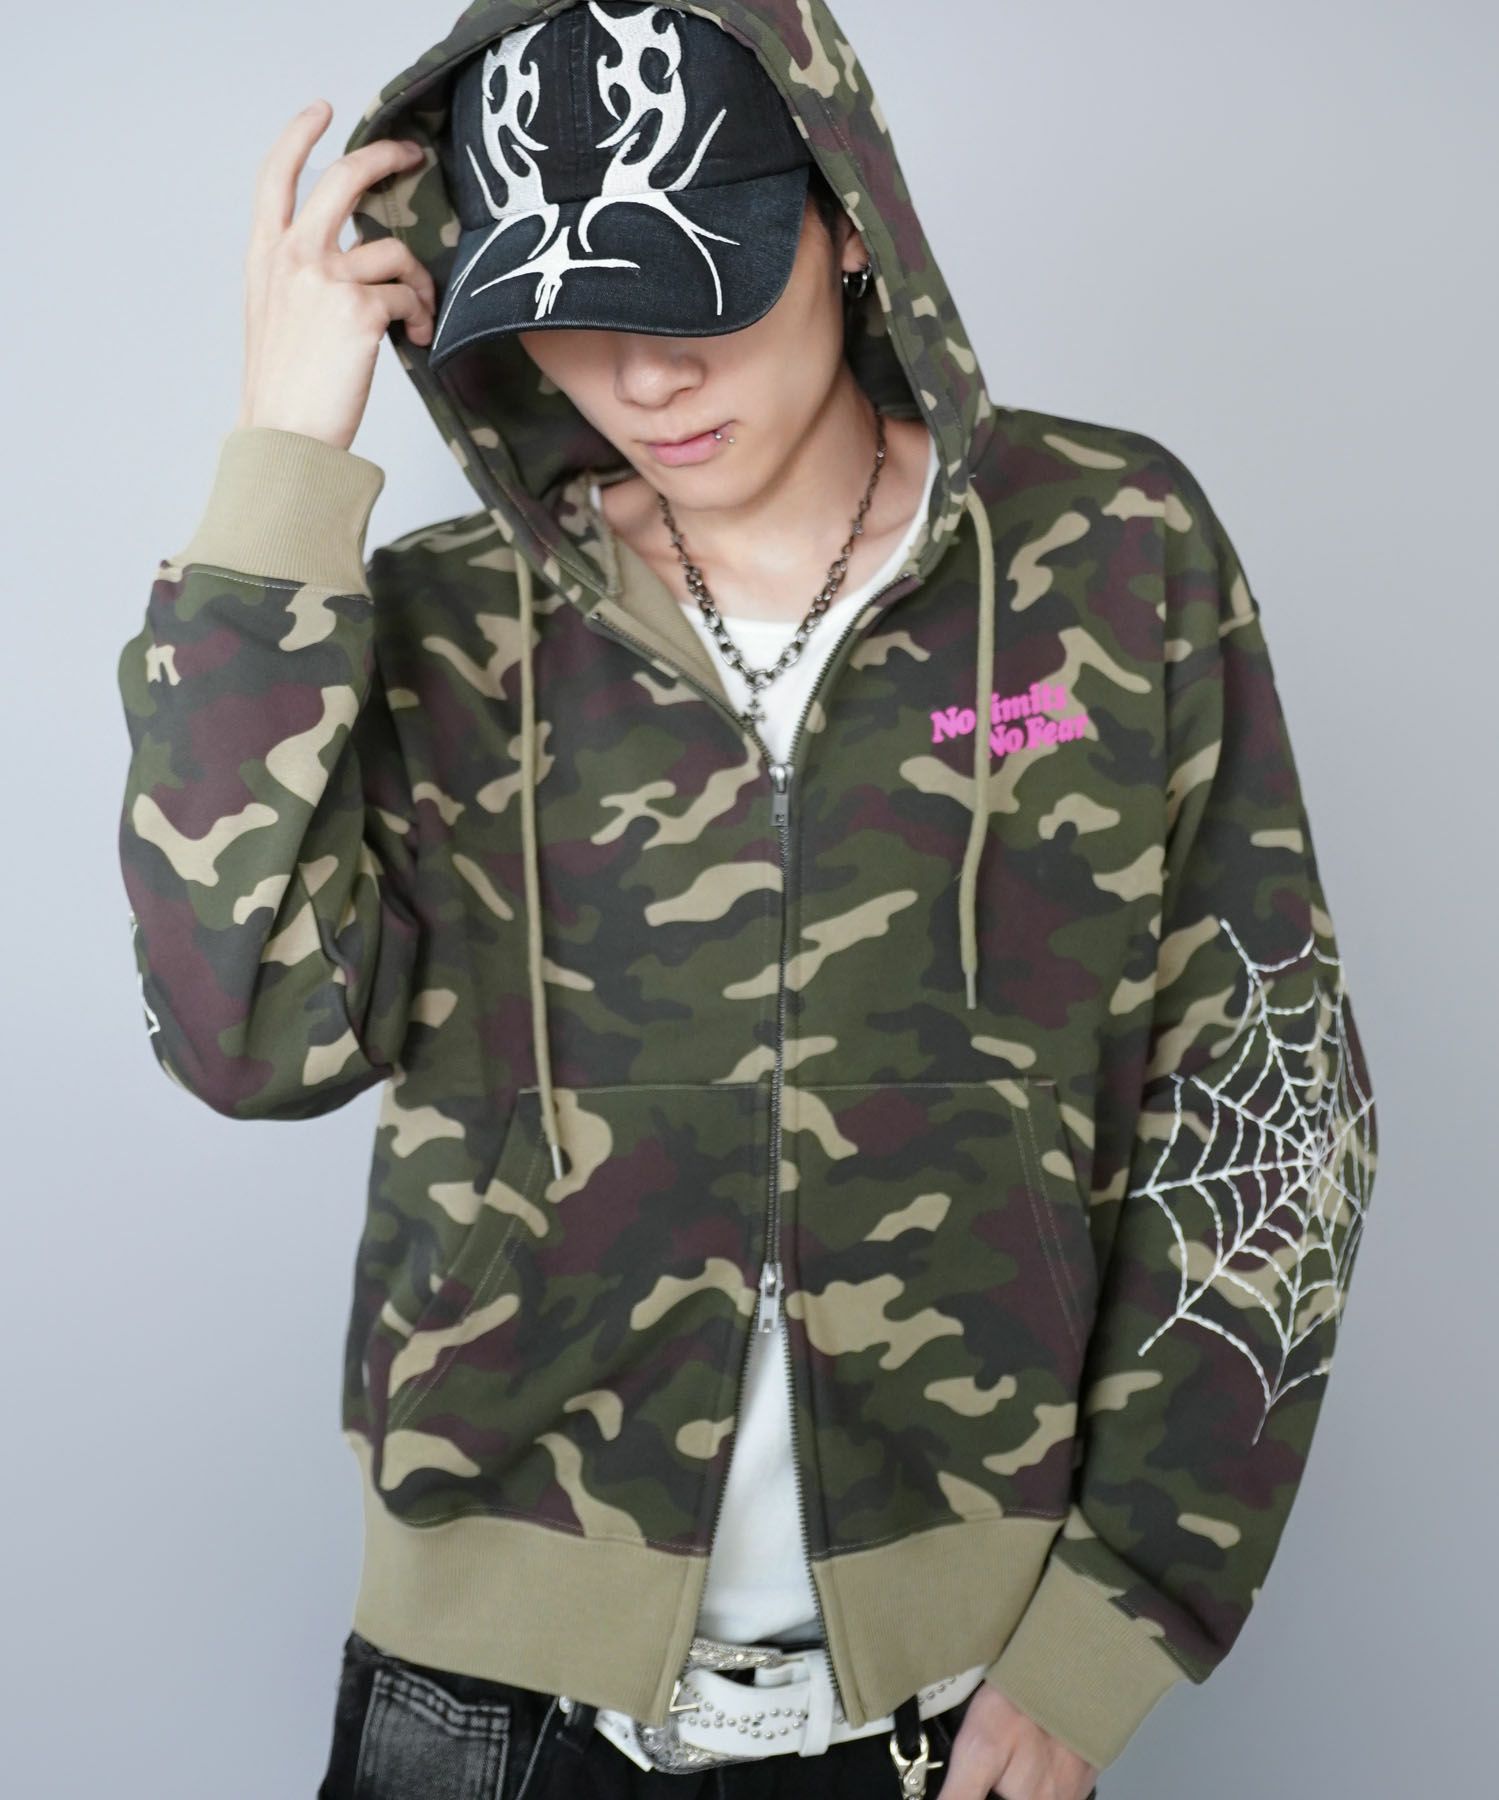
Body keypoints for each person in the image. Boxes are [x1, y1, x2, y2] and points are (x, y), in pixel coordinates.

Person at [113, 3, 1380, 1797]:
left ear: (849, 219)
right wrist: (281, 472)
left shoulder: (1113, 550)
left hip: (951, 1711)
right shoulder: (444, 624)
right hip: (477, 1709)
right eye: (567, 307)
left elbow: (1270, 1092)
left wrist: (1113, 1630)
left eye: (695, 288)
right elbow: (242, 1038)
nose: (642, 378)